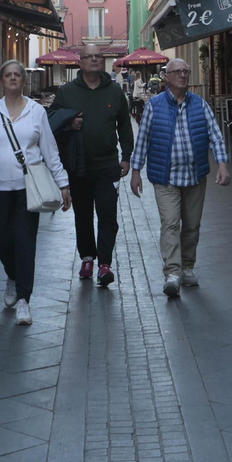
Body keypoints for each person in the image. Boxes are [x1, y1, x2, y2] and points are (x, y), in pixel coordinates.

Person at [0, 59, 71, 326]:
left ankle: (24, 299)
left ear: (24, 81)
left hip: (30, 190)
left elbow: (50, 151)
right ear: (1, 81)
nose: (13, 78)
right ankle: (12, 277)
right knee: (3, 241)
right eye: (8, 75)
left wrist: (63, 184)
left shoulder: (36, 111)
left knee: (25, 243)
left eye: (17, 75)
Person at [130, 58, 230, 298]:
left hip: (195, 175)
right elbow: (143, 139)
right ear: (166, 76)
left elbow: (215, 135)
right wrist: (136, 172)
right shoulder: (154, 105)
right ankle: (172, 273)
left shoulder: (200, 104)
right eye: (177, 72)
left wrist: (222, 164)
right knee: (171, 223)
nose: (183, 75)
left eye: (186, 71)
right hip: (166, 177)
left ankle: (187, 267)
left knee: (192, 226)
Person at [50, 48, 134, 287]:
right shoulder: (66, 92)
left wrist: (126, 157)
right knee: (83, 215)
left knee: (108, 216)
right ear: (81, 62)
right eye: (89, 56)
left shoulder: (115, 91)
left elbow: (125, 127)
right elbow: (50, 123)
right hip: (78, 165)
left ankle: (104, 264)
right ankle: (87, 257)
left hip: (108, 165)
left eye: (98, 56)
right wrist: (69, 123)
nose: (95, 59)